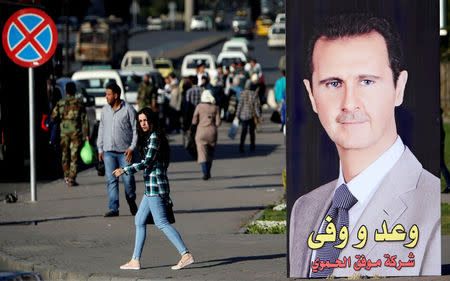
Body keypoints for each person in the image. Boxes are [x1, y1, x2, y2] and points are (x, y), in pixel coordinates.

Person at [289, 13, 440, 278]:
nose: (350, 102)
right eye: (334, 83)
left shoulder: (432, 212)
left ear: (399, 87)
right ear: (312, 95)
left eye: (367, 81)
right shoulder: (304, 208)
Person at [113, 108, 194, 271]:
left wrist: (125, 169)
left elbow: (147, 162)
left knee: (161, 222)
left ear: (151, 121)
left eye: (145, 120)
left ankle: (185, 254)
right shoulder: (150, 137)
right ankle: (135, 260)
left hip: (156, 186)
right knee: (139, 220)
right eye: (140, 121)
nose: (143, 124)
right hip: (151, 187)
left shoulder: (155, 137)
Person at [97, 83, 138, 217]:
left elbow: (135, 130)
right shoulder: (104, 110)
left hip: (125, 153)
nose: (106, 97)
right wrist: (100, 148)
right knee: (111, 180)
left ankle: (131, 200)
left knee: (128, 180)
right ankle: (114, 208)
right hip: (108, 152)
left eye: (108, 94)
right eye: (106, 94)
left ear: (116, 95)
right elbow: (101, 129)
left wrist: (132, 148)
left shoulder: (128, 109)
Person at [50, 82, 89, 187]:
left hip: (64, 134)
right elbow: (85, 120)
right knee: (74, 156)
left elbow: (53, 117)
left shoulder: (60, 103)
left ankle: (66, 176)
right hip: (76, 134)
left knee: (64, 155)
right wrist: (87, 134)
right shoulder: (79, 103)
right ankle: (72, 177)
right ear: (75, 91)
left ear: (66, 91)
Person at [192, 90, 221, 180]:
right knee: (210, 154)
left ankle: (205, 173)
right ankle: (208, 170)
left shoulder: (199, 107)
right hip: (212, 132)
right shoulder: (215, 107)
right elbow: (218, 123)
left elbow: (194, 120)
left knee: (202, 153)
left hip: (201, 131)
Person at [234, 80, 262, 153]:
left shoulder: (242, 93)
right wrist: (259, 116)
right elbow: (256, 107)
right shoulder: (254, 94)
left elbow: (239, 105)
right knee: (252, 132)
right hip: (251, 116)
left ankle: (241, 146)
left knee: (244, 131)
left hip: (243, 116)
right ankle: (252, 146)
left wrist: (237, 115)